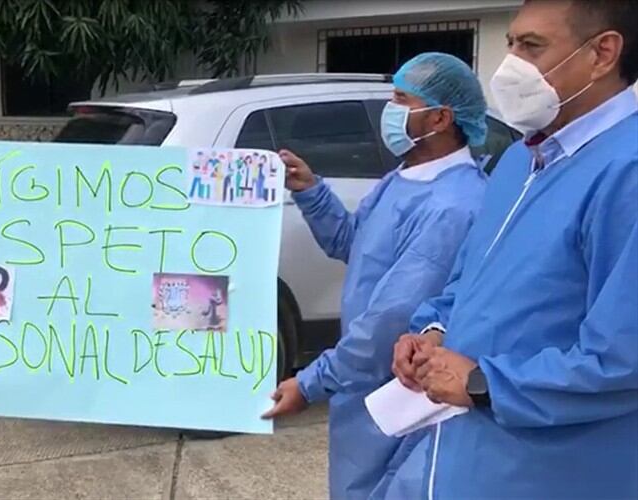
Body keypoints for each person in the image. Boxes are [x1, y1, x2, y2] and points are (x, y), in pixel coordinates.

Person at [392, 1, 638, 498]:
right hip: (468, 458)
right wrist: (433, 333)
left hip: (554, 471)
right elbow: (473, 281)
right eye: (510, 44)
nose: (509, 66)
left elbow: (622, 359)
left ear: (603, 53)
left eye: (532, 46)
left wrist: (485, 384)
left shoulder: (626, 171)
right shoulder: (520, 161)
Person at [263, 52, 490, 500]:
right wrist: (311, 192)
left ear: (441, 117)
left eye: (401, 100)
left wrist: (310, 384)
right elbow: (353, 243)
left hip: (401, 395)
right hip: (361, 390)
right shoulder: (405, 178)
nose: (390, 111)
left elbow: (390, 318)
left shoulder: (454, 205)